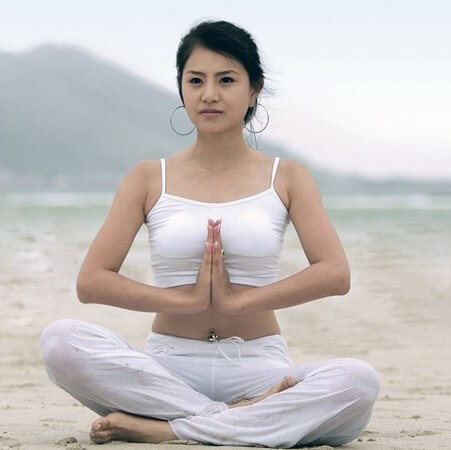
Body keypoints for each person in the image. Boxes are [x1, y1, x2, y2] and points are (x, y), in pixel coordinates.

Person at [39, 20, 381, 447]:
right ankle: (235, 418)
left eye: (226, 80)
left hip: (260, 363)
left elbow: (335, 273)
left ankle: (169, 428)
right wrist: (183, 299)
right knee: (60, 342)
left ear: (254, 90)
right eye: (195, 80)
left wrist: (241, 299)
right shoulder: (148, 178)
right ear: (181, 88)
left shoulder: (287, 176)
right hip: (166, 370)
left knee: (359, 382)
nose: (209, 94)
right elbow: (91, 282)